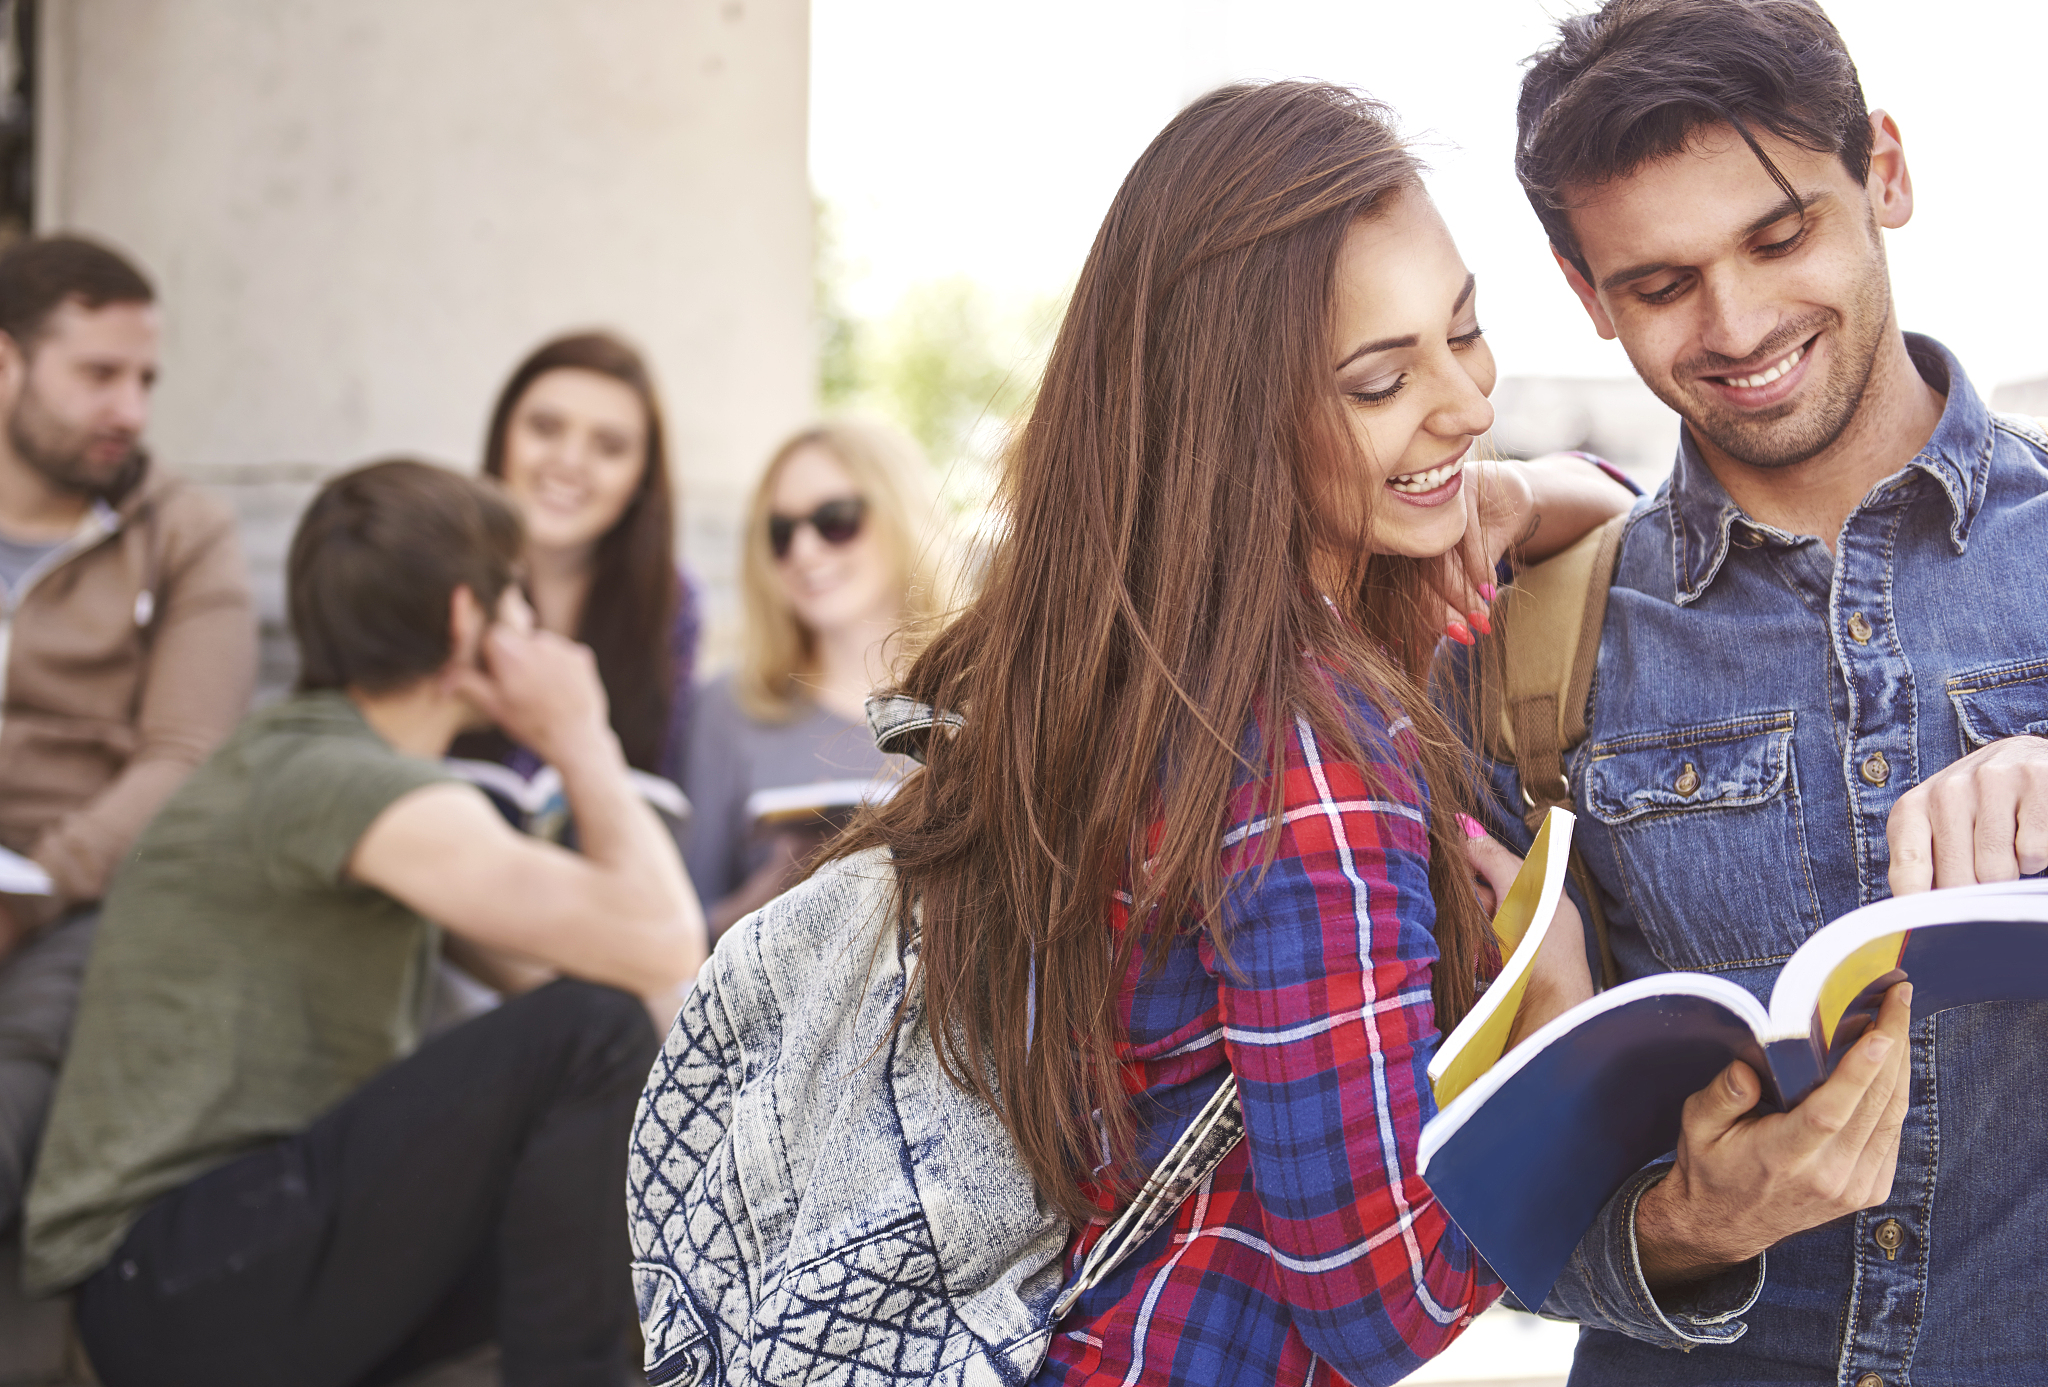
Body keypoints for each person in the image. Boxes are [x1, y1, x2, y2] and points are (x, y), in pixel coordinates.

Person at [826, 82, 1642, 1386]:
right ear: (1233, 415)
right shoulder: (1308, 756)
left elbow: (1619, 499)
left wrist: (1514, 494)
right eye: (1381, 380)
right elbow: (1381, 1308)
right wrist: (1553, 1008)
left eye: (1465, 328)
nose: (1467, 403)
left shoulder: (1105, 660)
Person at [1483, 1, 2039, 1380]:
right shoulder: (1534, 645)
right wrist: (1687, 1226)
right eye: (1659, 284)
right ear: (1583, 291)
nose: (1735, 326)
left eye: (1780, 237)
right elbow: (1495, 1220)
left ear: (1883, 173)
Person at [21, 460, 706, 1386]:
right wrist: (582, 734)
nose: (535, 626)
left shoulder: (332, 774)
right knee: (596, 1032)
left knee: (600, 1093)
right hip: (164, 1286)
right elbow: (657, 942)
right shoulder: (336, 777)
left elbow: (596, 982)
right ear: (467, 619)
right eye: (516, 598)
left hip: (230, 1268)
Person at [0, 235, 254, 1236]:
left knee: (21, 1068)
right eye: (99, 374)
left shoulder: (183, 530)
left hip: (79, 898)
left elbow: (183, 757)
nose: (131, 411)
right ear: (7, 363)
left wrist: (33, 891)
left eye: (145, 380)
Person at [682, 417, 952, 936]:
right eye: (781, 532)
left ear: (901, 515)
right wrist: (763, 902)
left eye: (836, 520)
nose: (804, 551)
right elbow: (681, 938)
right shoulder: (727, 708)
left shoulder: (984, 703)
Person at [456, 330, 699, 799]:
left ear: (642, 475)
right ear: (502, 435)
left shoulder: (673, 601)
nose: (569, 462)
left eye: (609, 446)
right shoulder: (433, 572)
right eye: (545, 429)